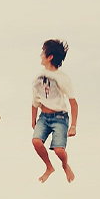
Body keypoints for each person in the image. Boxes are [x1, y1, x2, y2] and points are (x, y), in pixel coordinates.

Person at [31, 39, 78, 183]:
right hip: (43, 117)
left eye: (43, 53)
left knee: (59, 150)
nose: (40, 55)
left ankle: (65, 165)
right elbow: (34, 100)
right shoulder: (38, 77)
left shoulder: (62, 78)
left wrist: (73, 125)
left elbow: (73, 102)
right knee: (36, 141)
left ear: (50, 57)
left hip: (60, 117)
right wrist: (33, 119)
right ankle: (49, 167)